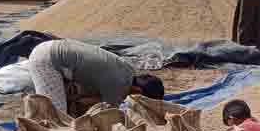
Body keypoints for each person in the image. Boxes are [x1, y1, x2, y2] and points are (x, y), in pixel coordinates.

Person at [28, 39, 164, 115]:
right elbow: (107, 116)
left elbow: (94, 99)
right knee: (56, 116)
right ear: (138, 92)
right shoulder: (119, 86)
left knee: (72, 109)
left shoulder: (128, 71)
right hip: (48, 60)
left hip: (54, 48)